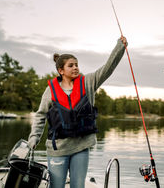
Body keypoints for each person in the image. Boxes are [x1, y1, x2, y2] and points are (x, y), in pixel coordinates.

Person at [28, 36, 127, 188]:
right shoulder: (50, 91)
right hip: (58, 149)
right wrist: (34, 137)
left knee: (78, 186)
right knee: (56, 186)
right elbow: (40, 116)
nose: (75, 68)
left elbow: (108, 68)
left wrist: (120, 47)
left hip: (81, 147)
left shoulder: (88, 83)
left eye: (77, 65)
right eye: (71, 65)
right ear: (61, 70)